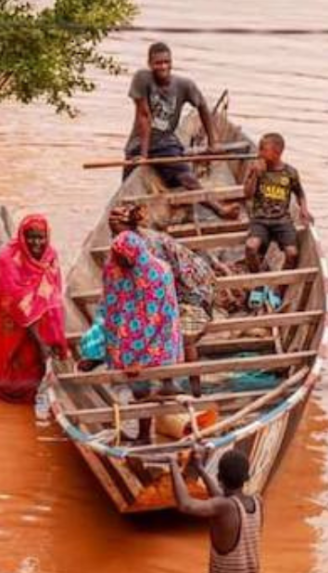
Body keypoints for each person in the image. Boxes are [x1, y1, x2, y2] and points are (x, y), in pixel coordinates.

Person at [109, 205, 216, 397]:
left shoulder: (149, 249)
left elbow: (159, 304)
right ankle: (153, 387)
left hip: (189, 291)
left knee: (182, 335)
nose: (114, 236)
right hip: (163, 291)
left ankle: (193, 389)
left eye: (115, 229)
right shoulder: (124, 246)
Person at [125, 42, 238, 219]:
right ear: (149, 64)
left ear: (171, 63)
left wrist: (213, 142)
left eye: (166, 62)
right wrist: (144, 156)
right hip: (139, 144)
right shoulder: (142, 79)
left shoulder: (184, 85)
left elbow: (202, 107)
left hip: (165, 143)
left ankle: (218, 209)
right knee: (126, 194)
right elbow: (144, 116)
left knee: (187, 178)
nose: (162, 66)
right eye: (158, 63)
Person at [102, 230, 183, 441]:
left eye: (119, 259)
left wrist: (142, 361)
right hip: (129, 332)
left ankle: (145, 434)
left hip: (156, 336)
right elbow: (110, 306)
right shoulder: (113, 269)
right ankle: (145, 427)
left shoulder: (157, 273)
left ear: (131, 257)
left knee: (141, 381)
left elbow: (165, 321)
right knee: (137, 385)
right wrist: (111, 343)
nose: (114, 262)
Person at [168, 447, 263, 573]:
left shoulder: (224, 507)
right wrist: (201, 469)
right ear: (246, 478)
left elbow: (186, 505)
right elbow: (223, 499)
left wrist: (173, 464)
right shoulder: (257, 502)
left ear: (219, 478)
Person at [0, 214, 67, 404]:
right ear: (22, 236)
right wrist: (41, 343)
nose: (36, 243)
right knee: (11, 375)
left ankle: (29, 404)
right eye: (31, 237)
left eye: (40, 237)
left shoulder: (50, 257)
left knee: (32, 371)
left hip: (39, 328)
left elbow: (53, 299)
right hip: (10, 327)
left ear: (47, 237)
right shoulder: (7, 262)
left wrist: (54, 338)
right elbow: (18, 307)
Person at [243, 133, 311, 274]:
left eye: (263, 150)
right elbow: (247, 195)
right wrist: (254, 175)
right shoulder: (257, 169)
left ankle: (279, 290)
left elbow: (300, 193)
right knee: (250, 247)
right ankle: (259, 282)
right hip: (260, 220)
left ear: (277, 152)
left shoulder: (290, 173)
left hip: (282, 221)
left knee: (292, 253)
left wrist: (304, 209)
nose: (259, 153)